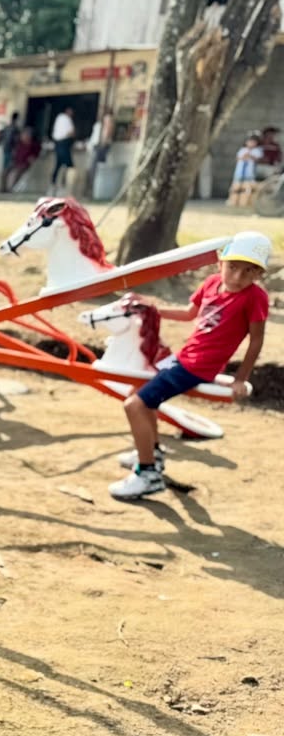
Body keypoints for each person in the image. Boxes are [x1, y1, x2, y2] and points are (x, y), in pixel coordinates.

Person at [110, 232, 271, 501]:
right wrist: (152, 309)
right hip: (184, 357)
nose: (237, 277)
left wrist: (240, 378)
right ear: (220, 263)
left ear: (259, 274)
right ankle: (151, 452)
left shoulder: (254, 297)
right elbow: (189, 314)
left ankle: (148, 475)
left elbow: (256, 340)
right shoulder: (211, 283)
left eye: (249, 271)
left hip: (199, 367)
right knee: (137, 392)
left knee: (134, 406)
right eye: (232, 267)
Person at [5, 124, 41, 192]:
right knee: (5, 171)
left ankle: (10, 189)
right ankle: (5, 189)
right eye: (23, 134)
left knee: (15, 173)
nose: (23, 136)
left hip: (25, 164)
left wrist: (31, 159)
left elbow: (35, 155)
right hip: (16, 163)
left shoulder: (34, 145)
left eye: (26, 134)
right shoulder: (20, 144)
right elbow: (15, 155)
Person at [230, 132, 263, 205]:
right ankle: (233, 201)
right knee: (236, 187)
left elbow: (257, 159)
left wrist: (250, 156)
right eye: (250, 141)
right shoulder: (242, 150)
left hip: (249, 173)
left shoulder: (257, 151)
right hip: (239, 173)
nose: (251, 143)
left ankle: (245, 202)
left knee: (247, 188)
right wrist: (244, 156)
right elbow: (238, 158)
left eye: (253, 142)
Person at [51, 106, 76, 187]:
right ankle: (67, 183)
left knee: (59, 162)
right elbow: (71, 132)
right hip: (64, 143)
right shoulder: (66, 119)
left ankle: (55, 181)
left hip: (57, 143)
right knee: (69, 164)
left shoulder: (59, 117)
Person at [0, 112, 21, 192]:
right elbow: (14, 140)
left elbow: (1, 137)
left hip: (6, 149)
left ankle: (3, 187)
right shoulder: (14, 128)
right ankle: (4, 187)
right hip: (10, 150)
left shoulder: (7, 127)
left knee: (6, 168)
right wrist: (14, 150)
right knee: (7, 169)